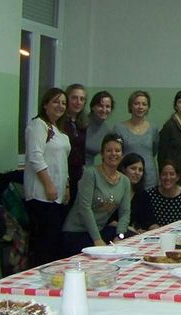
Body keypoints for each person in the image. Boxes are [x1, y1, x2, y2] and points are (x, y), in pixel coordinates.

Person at [24, 87, 71, 265]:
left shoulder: (57, 129)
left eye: (63, 103)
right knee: (44, 242)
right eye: (56, 101)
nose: (60, 106)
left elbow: (61, 161)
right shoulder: (38, 125)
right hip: (41, 194)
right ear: (45, 104)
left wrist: (65, 186)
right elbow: (35, 157)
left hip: (57, 195)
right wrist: (48, 185)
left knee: (54, 241)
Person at [63, 134, 131, 255]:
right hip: (78, 232)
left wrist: (119, 236)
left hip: (101, 231)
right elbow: (85, 208)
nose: (113, 154)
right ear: (102, 154)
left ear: (122, 155)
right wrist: (97, 240)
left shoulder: (125, 181)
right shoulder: (91, 174)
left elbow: (125, 212)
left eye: (117, 151)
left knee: (131, 240)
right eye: (109, 150)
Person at [114, 90, 159, 190]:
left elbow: (154, 151)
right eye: (136, 103)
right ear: (130, 106)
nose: (140, 107)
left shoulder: (153, 129)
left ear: (148, 108)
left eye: (144, 104)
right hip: (126, 178)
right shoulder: (119, 129)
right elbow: (116, 154)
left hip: (149, 178)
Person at [145, 160, 181, 229]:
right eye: (164, 174)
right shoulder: (150, 195)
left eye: (171, 174)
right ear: (160, 176)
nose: (168, 177)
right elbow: (147, 221)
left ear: (177, 177)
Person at [61, 84, 88, 208]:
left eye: (82, 99)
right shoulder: (60, 123)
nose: (78, 102)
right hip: (63, 172)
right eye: (74, 98)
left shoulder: (82, 123)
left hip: (77, 173)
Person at [114, 153, 154, 233]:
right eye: (133, 168)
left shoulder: (143, 194)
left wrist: (156, 229)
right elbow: (108, 221)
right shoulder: (113, 191)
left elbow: (150, 221)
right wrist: (130, 229)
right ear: (123, 169)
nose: (137, 172)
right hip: (113, 232)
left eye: (140, 170)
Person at [159, 90, 181, 172]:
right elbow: (162, 153)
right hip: (172, 173)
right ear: (175, 106)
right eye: (180, 102)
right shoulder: (169, 126)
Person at [85, 91, 115, 165]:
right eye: (100, 106)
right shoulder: (81, 123)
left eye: (107, 106)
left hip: (89, 170)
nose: (104, 110)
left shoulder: (107, 131)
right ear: (92, 107)